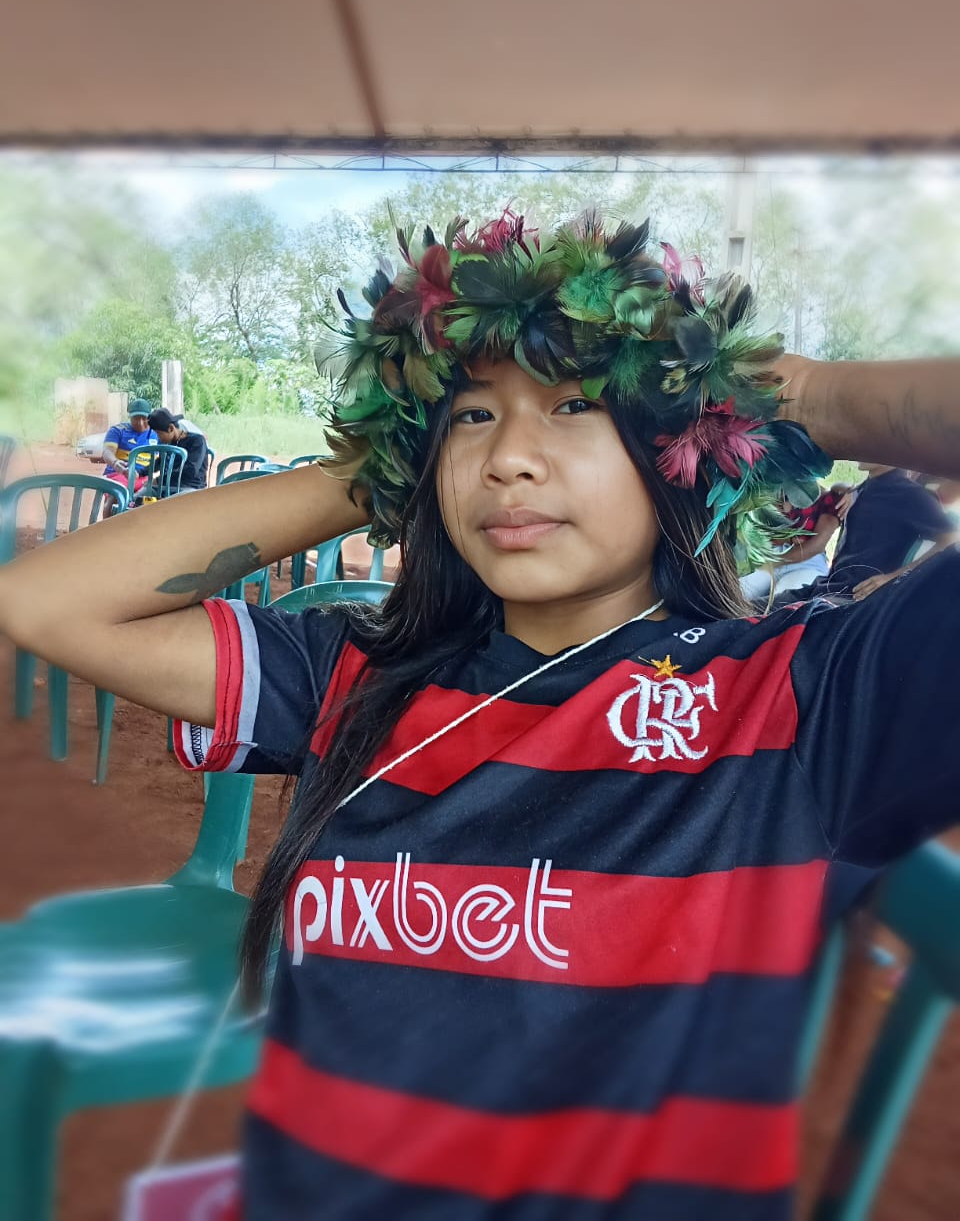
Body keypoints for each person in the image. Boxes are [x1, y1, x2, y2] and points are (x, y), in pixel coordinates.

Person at [2, 209, 960, 1221]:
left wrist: (788, 397)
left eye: (576, 404)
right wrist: (385, 458)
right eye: (470, 416)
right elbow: (42, 601)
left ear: (682, 443)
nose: (509, 458)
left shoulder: (795, 701)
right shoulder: (353, 678)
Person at [794, 461, 957, 602]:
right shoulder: (866, 486)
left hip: (855, 598)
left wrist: (894, 578)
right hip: (828, 586)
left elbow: (952, 539)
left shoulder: (910, 494)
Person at [740, 483, 845, 601]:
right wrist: (788, 540)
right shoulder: (765, 489)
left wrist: (776, 557)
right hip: (770, 558)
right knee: (737, 592)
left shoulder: (826, 499)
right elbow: (756, 533)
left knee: (782, 601)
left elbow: (816, 546)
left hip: (807, 564)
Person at [100, 398, 157, 495]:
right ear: (130, 417)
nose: (140, 423)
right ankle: (110, 505)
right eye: (136, 418)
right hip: (119, 474)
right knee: (119, 492)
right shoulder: (117, 430)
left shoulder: (157, 433)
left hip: (146, 477)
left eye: (144, 418)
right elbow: (107, 452)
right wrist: (115, 463)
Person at [146, 407, 210, 493]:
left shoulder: (197, 441)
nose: (158, 438)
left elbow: (190, 471)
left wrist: (160, 480)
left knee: (170, 500)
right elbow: (161, 463)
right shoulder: (169, 443)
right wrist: (139, 472)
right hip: (168, 486)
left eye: (159, 433)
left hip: (191, 487)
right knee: (138, 497)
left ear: (171, 428)